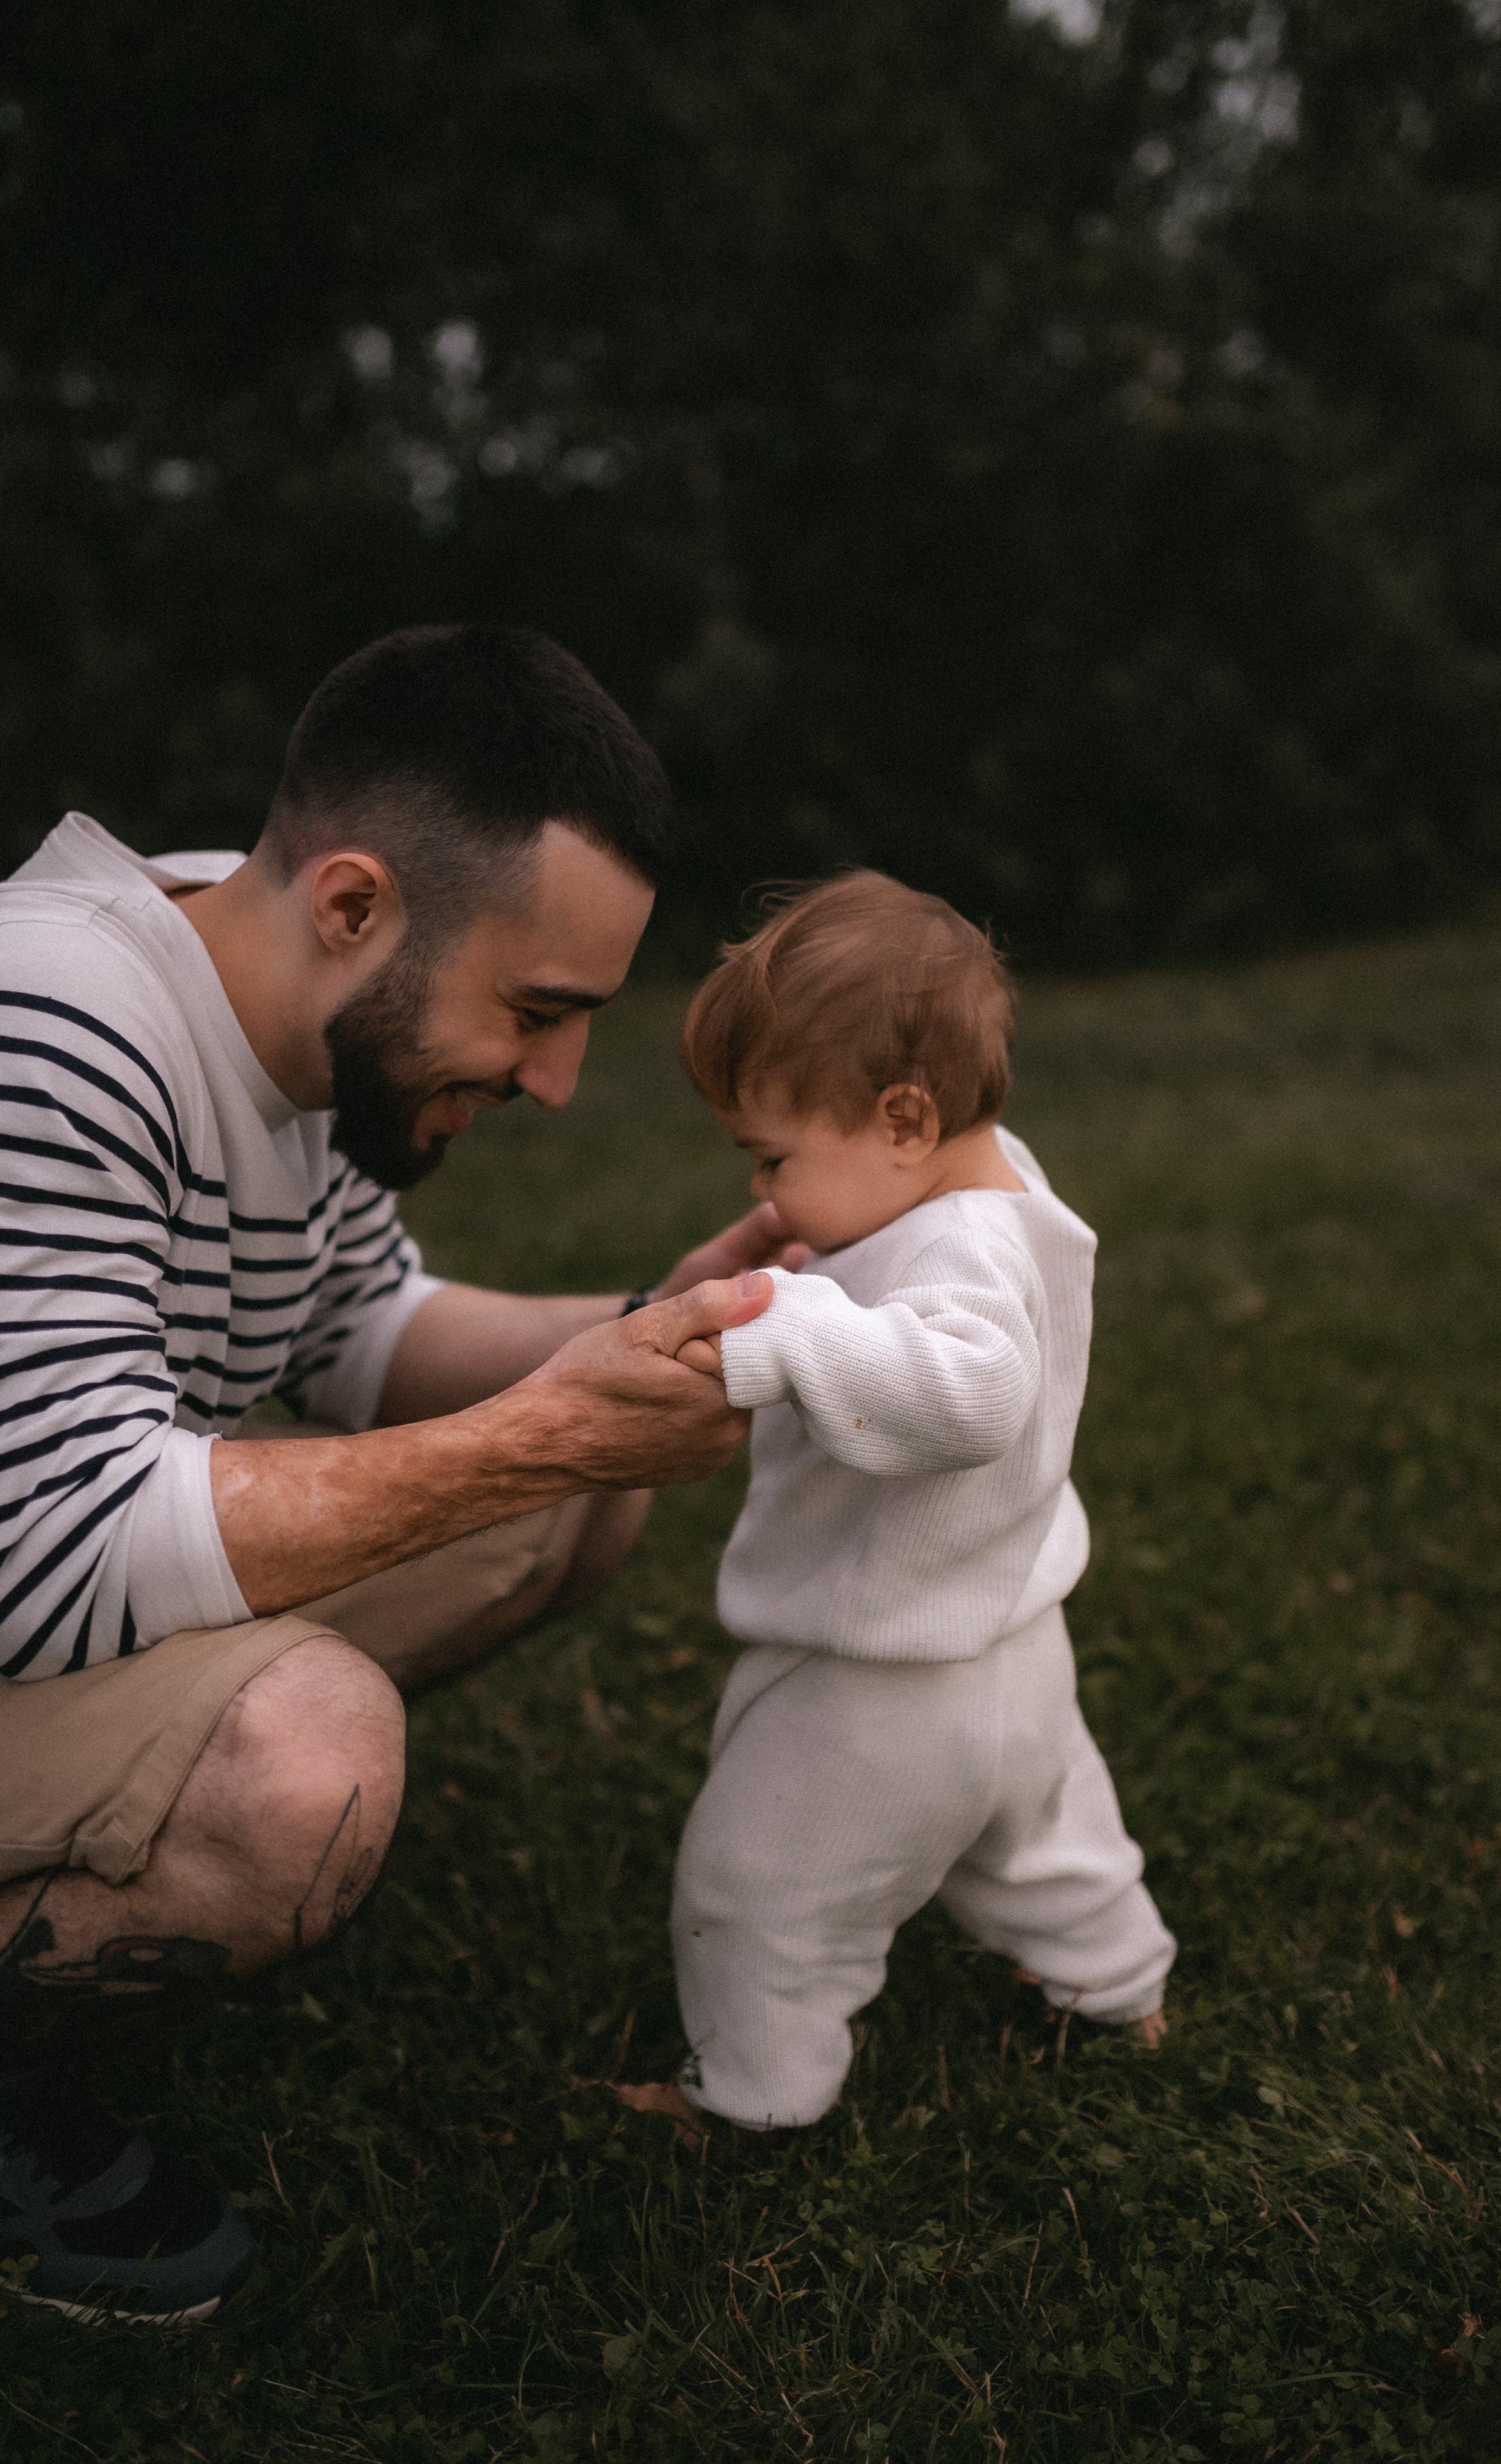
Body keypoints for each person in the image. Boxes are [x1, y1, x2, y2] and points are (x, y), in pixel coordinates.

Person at [0, 625, 791, 2320]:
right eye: (536, 1012)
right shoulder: (54, 1017)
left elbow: (363, 1327)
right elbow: (49, 1545)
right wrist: (561, 1422)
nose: (562, 1084)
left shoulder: (275, 979)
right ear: (356, 907)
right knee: (308, 1774)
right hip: (30, 1564)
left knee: (572, 1492)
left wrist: (689, 1325)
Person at [616, 873, 1176, 2142]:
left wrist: (793, 1324)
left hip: (878, 1687)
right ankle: (1117, 1985)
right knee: (1038, 1836)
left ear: (907, 1120)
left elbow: (971, 1389)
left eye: (774, 1157)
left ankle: (751, 2100)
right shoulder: (991, 1189)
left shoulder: (953, 1253)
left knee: (757, 1886)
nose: (764, 1195)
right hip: (1011, 1653)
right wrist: (830, 1258)